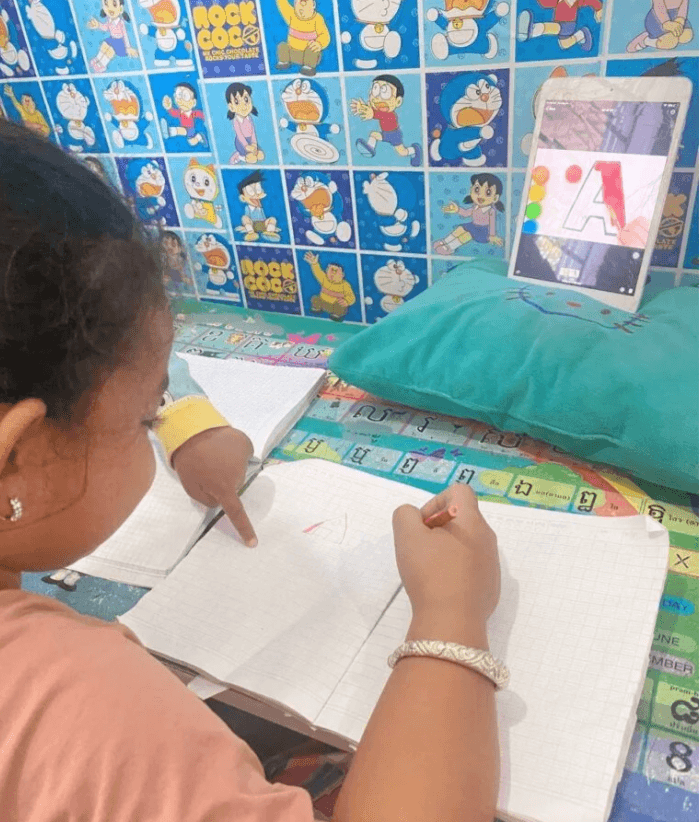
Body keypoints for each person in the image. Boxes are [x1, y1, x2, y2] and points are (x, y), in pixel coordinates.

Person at [0, 118, 502, 822]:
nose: (156, 418)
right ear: (16, 457)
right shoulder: (72, 701)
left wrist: (183, 420)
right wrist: (453, 615)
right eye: (146, 416)